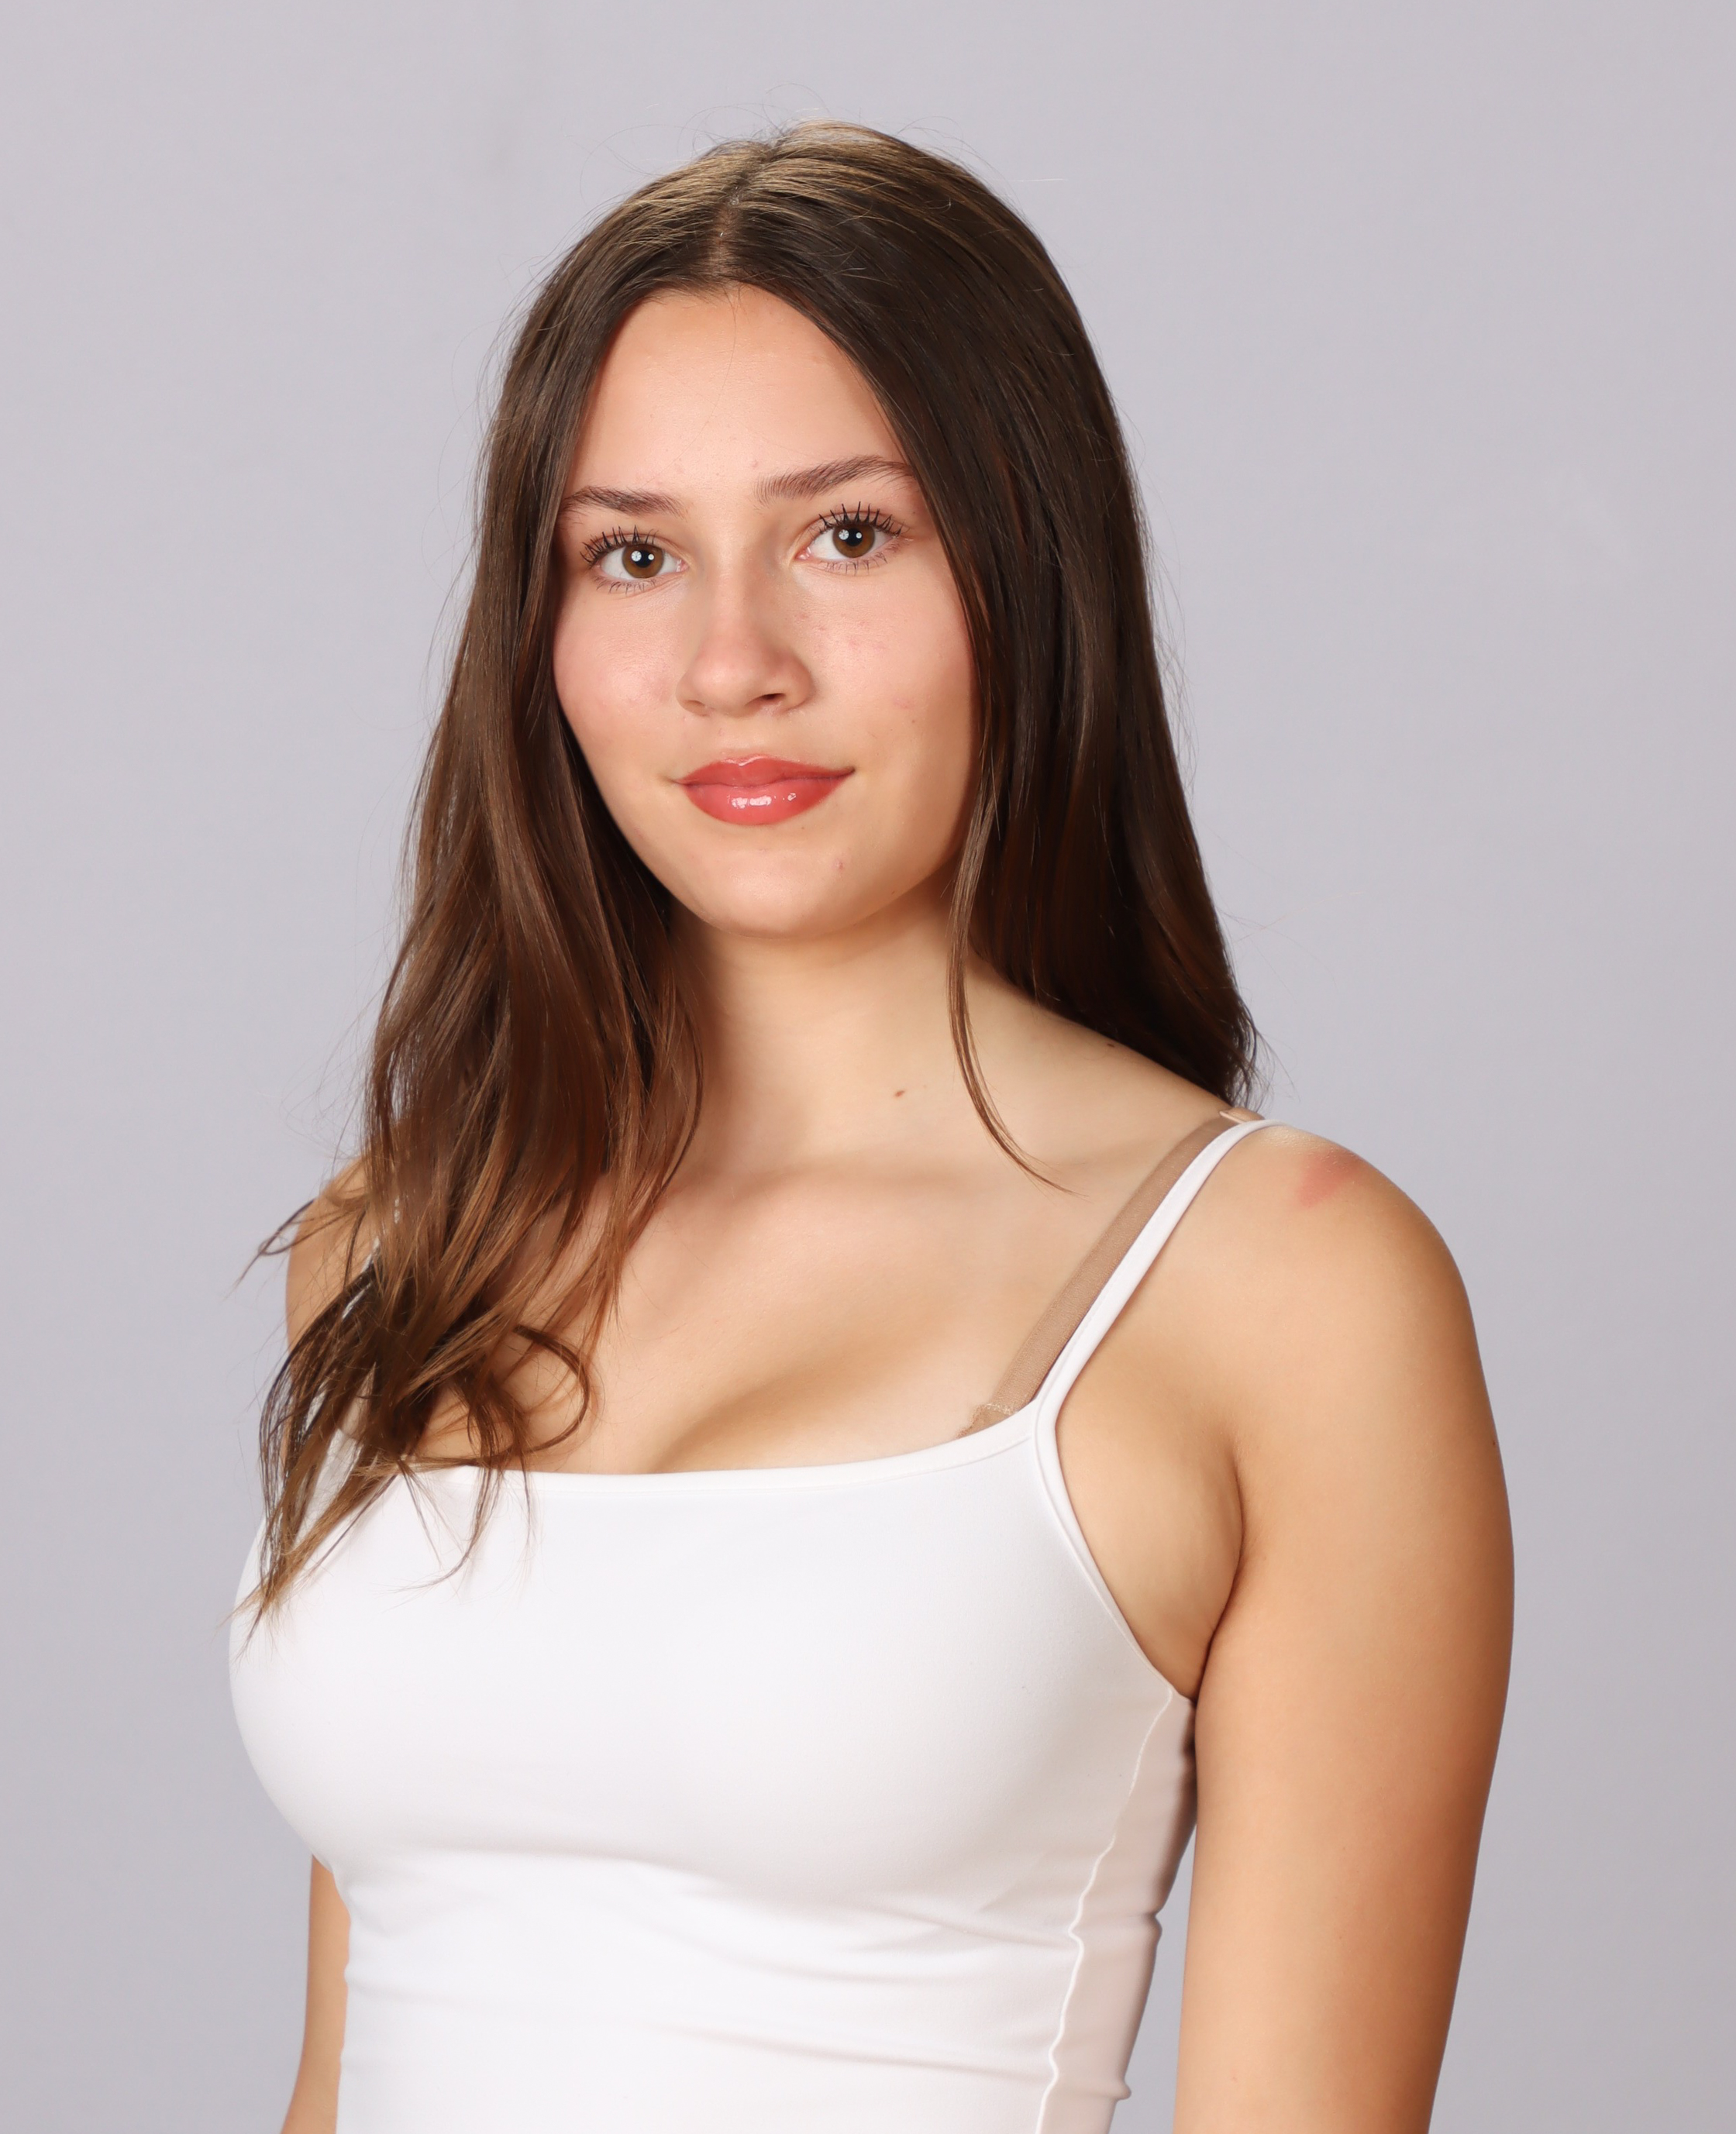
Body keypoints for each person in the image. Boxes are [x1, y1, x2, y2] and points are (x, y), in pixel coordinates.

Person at [231, 123, 1512, 2134]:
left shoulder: (1282, 1287)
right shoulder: (406, 1236)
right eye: (632, 554)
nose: (731, 666)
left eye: (846, 535)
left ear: (1026, 570)